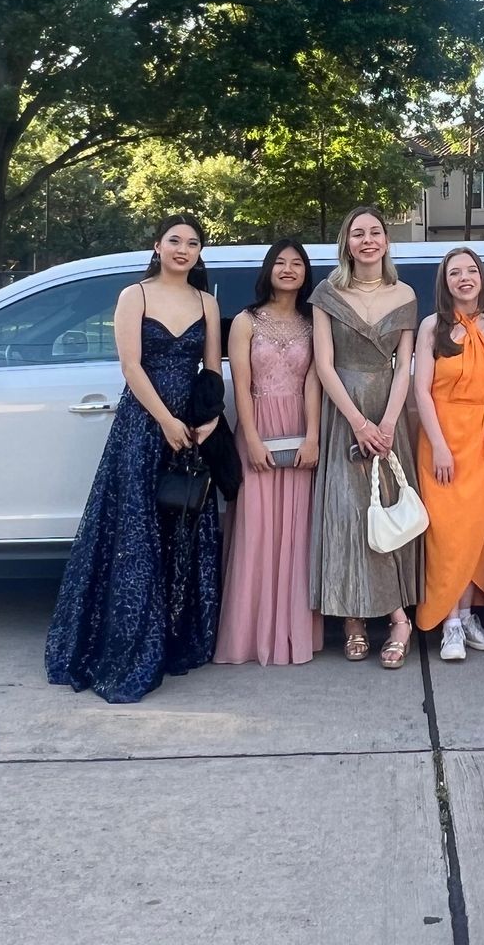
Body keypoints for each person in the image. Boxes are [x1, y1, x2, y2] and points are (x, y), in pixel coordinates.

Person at [46, 214, 224, 702]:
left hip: (189, 430)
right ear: (158, 246)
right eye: (175, 241)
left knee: (180, 526)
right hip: (143, 427)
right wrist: (165, 420)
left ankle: (172, 638)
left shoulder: (207, 302)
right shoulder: (135, 296)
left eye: (192, 243)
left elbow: (211, 368)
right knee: (135, 531)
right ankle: (130, 644)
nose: (183, 249)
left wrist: (207, 419)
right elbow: (130, 365)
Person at [308, 205, 422, 668]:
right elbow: (323, 365)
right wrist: (358, 422)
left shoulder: (406, 294)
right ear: (347, 242)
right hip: (343, 413)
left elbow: (405, 367)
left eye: (376, 232)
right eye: (358, 233)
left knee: (388, 514)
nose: (368, 240)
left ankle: (399, 619)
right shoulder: (327, 293)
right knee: (348, 513)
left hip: (389, 412)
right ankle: (353, 619)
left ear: (387, 241)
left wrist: (389, 423)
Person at [215, 240, 322, 666]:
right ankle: (250, 636)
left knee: (298, 533)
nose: (288, 269)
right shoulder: (245, 320)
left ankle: (294, 635)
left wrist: (313, 436)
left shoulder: (315, 322)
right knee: (256, 531)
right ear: (268, 270)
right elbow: (239, 385)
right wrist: (253, 439)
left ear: (306, 273)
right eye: (280, 262)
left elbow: (315, 381)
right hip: (257, 426)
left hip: (300, 428)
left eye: (297, 263)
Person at [413, 247, 484, 661]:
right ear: (445, 282)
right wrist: (439, 447)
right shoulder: (431, 326)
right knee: (446, 533)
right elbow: (421, 391)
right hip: (442, 438)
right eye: (455, 272)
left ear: (482, 277)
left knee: (478, 533)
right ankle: (448, 623)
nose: (464, 278)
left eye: (471, 270)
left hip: (482, 435)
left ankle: (467, 615)